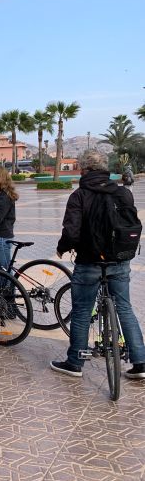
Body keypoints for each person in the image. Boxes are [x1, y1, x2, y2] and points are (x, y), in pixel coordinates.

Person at [51, 150, 145, 379]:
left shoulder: (79, 195)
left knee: (82, 311)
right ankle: (140, 362)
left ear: (83, 169)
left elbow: (71, 233)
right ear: (105, 168)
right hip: (119, 259)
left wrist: (62, 247)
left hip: (89, 261)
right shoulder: (122, 192)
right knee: (124, 308)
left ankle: (74, 363)